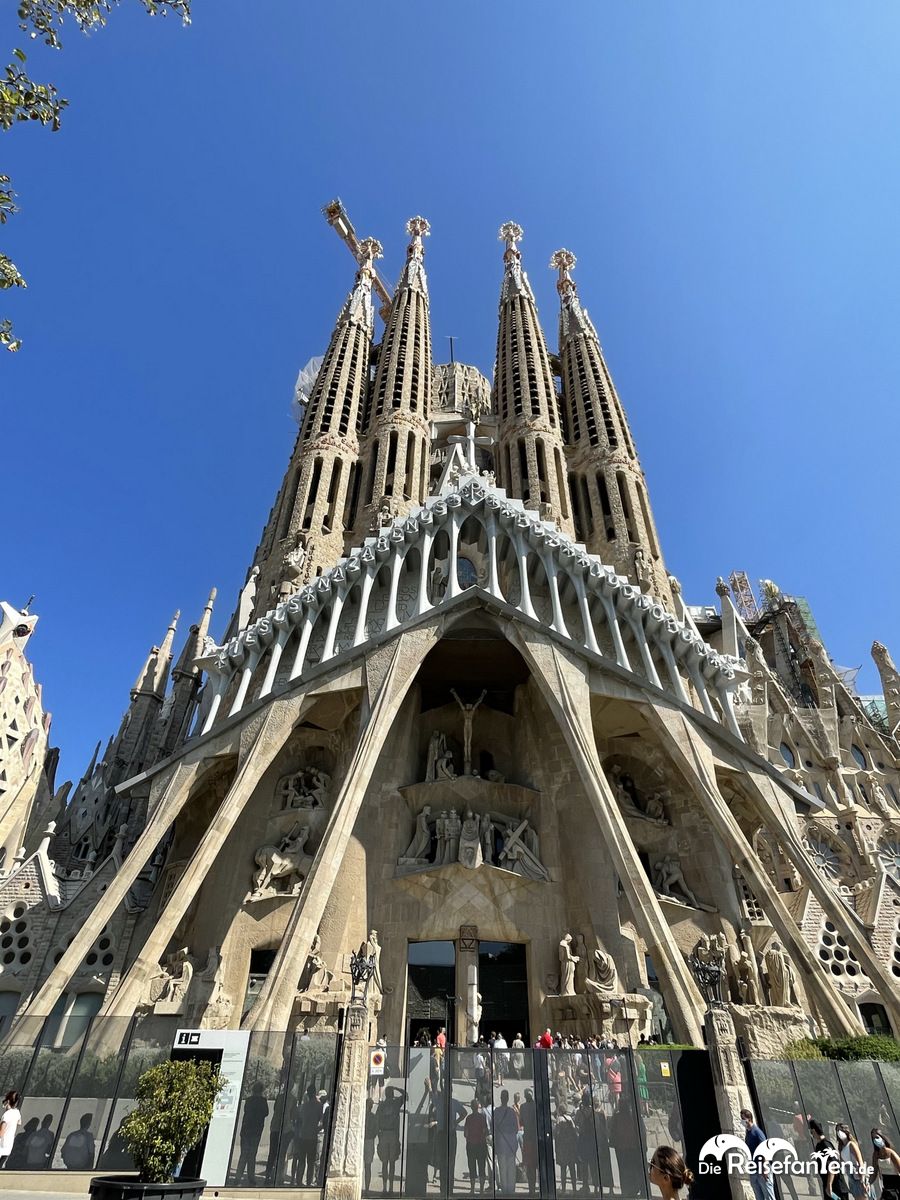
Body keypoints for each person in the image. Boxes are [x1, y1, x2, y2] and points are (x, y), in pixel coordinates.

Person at [234, 1082, 269, 1186]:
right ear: (261, 1090)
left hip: (246, 1130)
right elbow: (266, 1113)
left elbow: (246, 1111)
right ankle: (251, 1177)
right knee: (252, 1155)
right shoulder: (263, 1101)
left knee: (243, 1154)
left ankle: (238, 1177)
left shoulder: (248, 1100)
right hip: (256, 1131)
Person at [377, 1085, 406, 1194]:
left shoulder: (382, 1105)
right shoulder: (396, 1103)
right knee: (392, 1162)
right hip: (393, 1134)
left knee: (384, 1162)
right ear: (392, 1094)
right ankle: (391, 1187)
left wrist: (378, 1135)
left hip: (384, 1134)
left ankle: (385, 1187)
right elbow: (405, 1094)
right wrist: (396, 1088)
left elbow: (377, 1120)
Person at [742, 1108, 775, 1200]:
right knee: (759, 1196)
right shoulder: (748, 1132)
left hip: (762, 1169)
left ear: (749, 1119)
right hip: (754, 1169)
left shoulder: (757, 1132)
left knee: (769, 1196)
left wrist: (765, 1169)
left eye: (743, 1118)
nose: (742, 1121)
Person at [293, 1085, 322, 1187]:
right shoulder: (319, 1106)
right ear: (315, 1093)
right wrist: (316, 1129)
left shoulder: (304, 1106)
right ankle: (309, 1182)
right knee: (311, 1162)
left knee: (301, 1161)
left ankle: (299, 1181)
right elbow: (320, 1120)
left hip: (303, 1135)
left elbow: (299, 1119)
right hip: (312, 1136)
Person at [493, 1089, 519, 1194]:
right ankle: (511, 1188)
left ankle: (504, 1189)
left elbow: (494, 1127)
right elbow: (516, 1128)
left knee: (502, 1166)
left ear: (501, 1098)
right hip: (511, 1141)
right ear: (508, 1099)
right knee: (511, 1166)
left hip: (501, 1141)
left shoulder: (497, 1111)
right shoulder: (512, 1111)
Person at [808, 1118, 840, 1200]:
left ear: (814, 1131)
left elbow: (832, 1165)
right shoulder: (819, 1145)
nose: (811, 1135)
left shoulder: (825, 1145)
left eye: (811, 1132)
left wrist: (829, 1185)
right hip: (828, 1184)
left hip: (834, 1185)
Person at [463, 1098, 489, 1194]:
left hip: (471, 1145)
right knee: (482, 1166)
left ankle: (472, 1189)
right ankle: (481, 1189)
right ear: (478, 1107)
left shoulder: (469, 1118)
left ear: (471, 1107)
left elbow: (465, 1133)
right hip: (481, 1144)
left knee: (472, 1166)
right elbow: (485, 1131)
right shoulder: (482, 1118)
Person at [836, 1124, 867, 1200]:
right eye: (837, 1130)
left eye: (841, 1130)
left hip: (858, 1174)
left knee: (862, 1197)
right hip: (850, 1175)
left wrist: (862, 1179)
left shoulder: (852, 1144)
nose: (839, 1132)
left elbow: (860, 1162)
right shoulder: (841, 1147)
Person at [870, 1128, 900, 1200]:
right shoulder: (876, 1155)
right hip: (886, 1185)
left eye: (877, 1137)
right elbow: (875, 1173)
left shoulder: (890, 1152)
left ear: (882, 1137)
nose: (875, 1140)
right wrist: (868, 1183)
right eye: (873, 1138)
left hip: (896, 1184)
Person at [554, 1103, 578, 1193]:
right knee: (572, 1168)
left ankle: (563, 1189)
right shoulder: (570, 1118)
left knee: (563, 1169)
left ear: (559, 1111)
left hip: (563, 1147)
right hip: (570, 1147)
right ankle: (574, 1188)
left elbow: (557, 1133)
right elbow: (574, 1131)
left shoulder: (559, 1119)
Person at [0, 1091, 22, 1168]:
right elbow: (19, 1122)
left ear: (8, 1101)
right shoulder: (17, 1113)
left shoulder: (6, 1115)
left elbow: (1, 1133)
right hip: (8, 1146)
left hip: (2, 1145)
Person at [363, 1098, 378, 1193]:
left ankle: (367, 1188)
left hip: (368, 1140)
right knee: (367, 1166)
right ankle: (366, 1188)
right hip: (368, 1140)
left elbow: (376, 1130)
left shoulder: (371, 1117)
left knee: (367, 1166)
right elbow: (376, 1130)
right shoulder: (372, 1117)